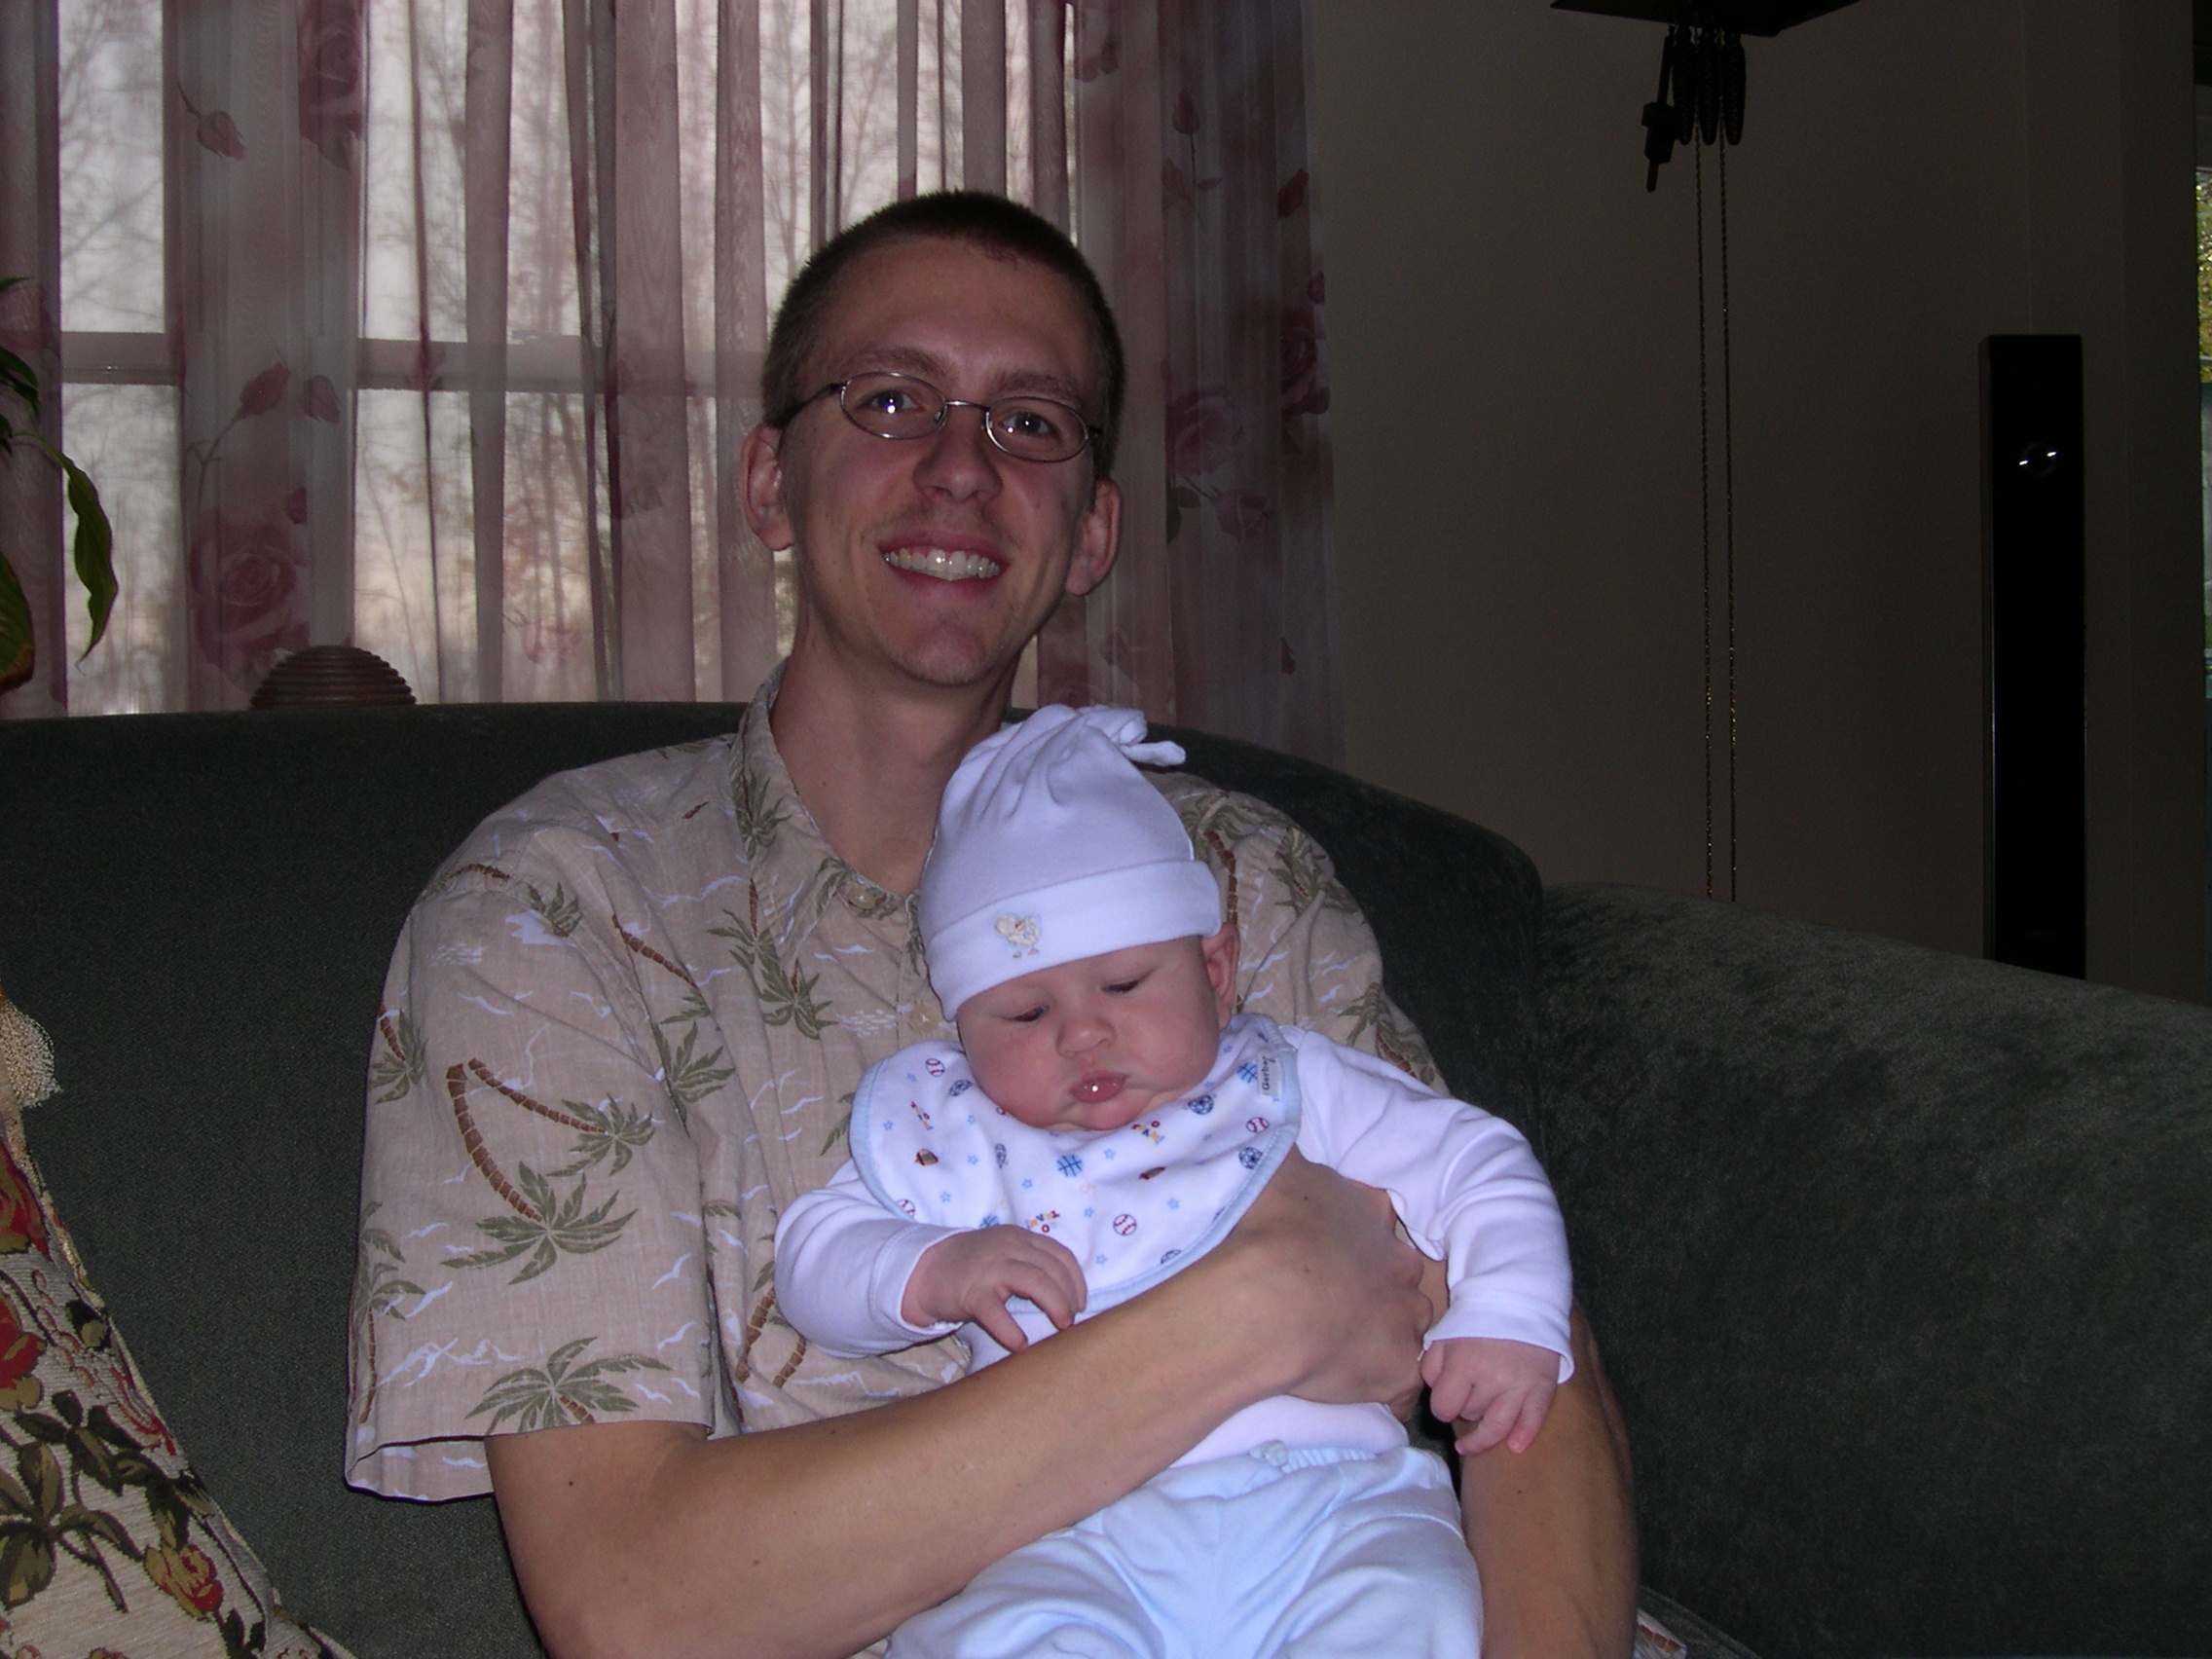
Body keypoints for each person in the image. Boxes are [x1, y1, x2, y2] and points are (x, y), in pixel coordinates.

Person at [347, 190, 1635, 1659]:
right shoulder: (556, 908)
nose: (959, 467)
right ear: (770, 481)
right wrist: (1263, 1306)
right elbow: (637, 1604)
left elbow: (1523, 1336)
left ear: (1090, 532)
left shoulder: (1242, 877)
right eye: (890, 399)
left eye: (1030, 425)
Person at [776, 703, 1575, 1657]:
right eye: (1024, 1012)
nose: (1081, 1033)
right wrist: (932, 1269)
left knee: (1410, 1619)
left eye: (1123, 985)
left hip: (1329, 1504)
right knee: (1000, 1638)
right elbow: (813, 1255)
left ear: (1216, 969)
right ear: (959, 1030)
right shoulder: (957, 1126)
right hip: (1060, 1526)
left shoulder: (1289, 1080)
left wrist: (1510, 1313)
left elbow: (1476, 1162)